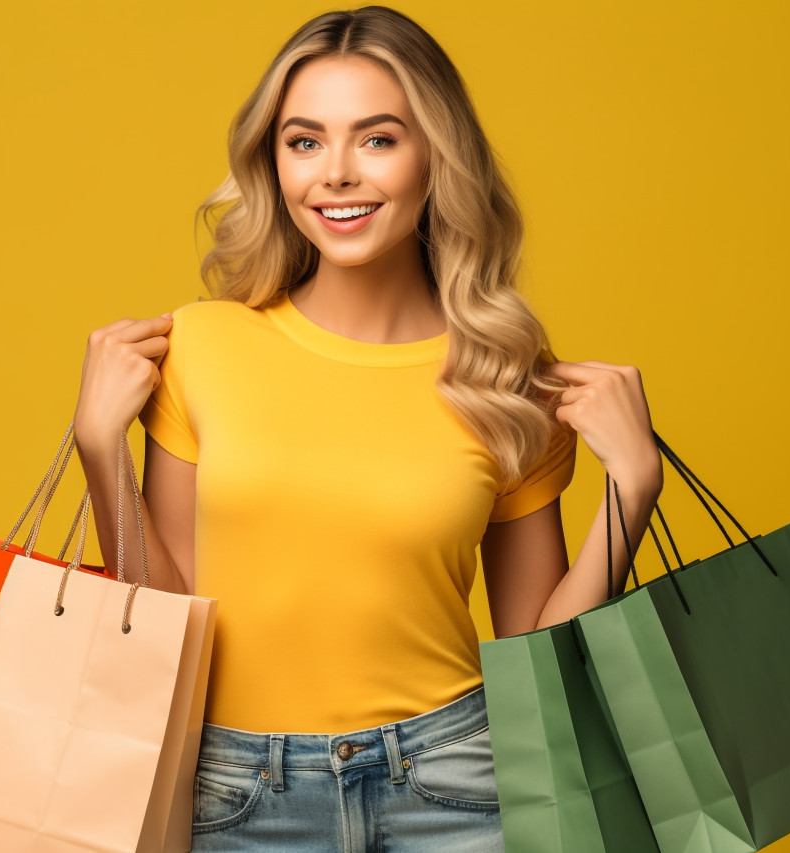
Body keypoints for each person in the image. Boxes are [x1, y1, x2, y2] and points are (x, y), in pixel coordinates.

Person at [72, 6, 661, 850]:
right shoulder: (204, 345)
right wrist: (103, 452)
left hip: (457, 785)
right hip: (241, 795)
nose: (337, 173)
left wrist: (632, 492)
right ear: (272, 165)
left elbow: (538, 657)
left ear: (435, 158)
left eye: (378, 139)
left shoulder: (503, 379)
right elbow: (167, 625)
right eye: (304, 141)